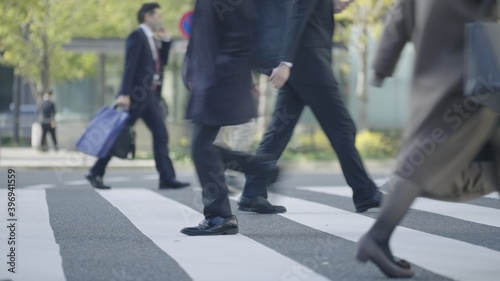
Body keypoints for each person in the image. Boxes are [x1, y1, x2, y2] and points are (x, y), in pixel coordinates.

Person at [356, 0, 500, 278]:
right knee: (426, 154)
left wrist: (382, 65)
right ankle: (377, 237)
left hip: (443, 70)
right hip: (472, 70)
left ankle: (378, 238)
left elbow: (401, 13)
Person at [240, 0, 382, 214]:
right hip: (309, 64)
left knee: (279, 130)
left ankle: (253, 192)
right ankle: (365, 193)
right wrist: (285, 64)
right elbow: (295, 16)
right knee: (342, 127)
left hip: (301, 64)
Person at [180, 0, 278, 236]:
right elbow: (202, 31)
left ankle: (220, 215)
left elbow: (245, 30)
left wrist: (218, 72)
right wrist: (192, 68)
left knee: (201, 147)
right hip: (209, 76)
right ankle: (259, 167)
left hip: (218, 78)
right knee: (203, 147)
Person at [86, 3, 189, 190]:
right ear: (147, 17)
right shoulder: (137, 36)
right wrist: (124, 94)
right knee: (118, 134)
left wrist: (166, 42)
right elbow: (129, 66)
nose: (161, 19)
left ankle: (166, 177)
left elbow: (161, 64)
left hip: (150, 97)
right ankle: (95, 172)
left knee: (161, 134)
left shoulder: (152, 39)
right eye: (158, 15)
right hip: (135, 96)